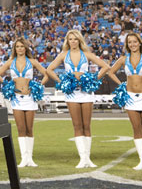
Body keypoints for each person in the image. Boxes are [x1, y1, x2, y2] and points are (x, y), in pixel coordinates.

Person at [47, 30, 110, 168]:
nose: (73, 42)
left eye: (75, 39)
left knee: (86, 125)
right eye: (70, 39)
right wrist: (62, 82)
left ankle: (88, 158)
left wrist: (93, 80)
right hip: (72, 94)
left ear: (79, 40)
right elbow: (49, 70)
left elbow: (105, 67)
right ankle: (82, 158)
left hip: (86, 92)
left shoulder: (87, 54)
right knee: (77, 125)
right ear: (67, 41)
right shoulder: (63, 55)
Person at [0, 37, 53, 168]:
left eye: (22, 46)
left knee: (29, 128)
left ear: (26, 48)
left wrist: (37, 86)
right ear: (14, 49)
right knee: (21, 129)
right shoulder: (10, 62)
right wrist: (7, 84)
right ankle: (23, 158)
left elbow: (47, 74)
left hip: (30, 98)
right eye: (17, 47)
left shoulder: (32, 61)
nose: (19, 49)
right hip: (16, 99)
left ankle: (30, 158)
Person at [107, 31, 142, 170]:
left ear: (139, 43)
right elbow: (110, 72)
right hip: (130, 98)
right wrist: (122, 84)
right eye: (130, 42)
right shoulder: (123, 59)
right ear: (127, 45)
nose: (132, 44)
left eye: (135, 41)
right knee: (136, 129)